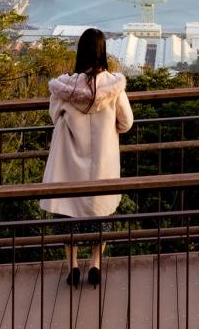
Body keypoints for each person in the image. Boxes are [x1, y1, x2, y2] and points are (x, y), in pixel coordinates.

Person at [39, 27, 134, 287]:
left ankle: (72, 266)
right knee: (100, 216)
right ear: (103, 52)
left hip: (68, 167)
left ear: (80, 52)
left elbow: (53, 116)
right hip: (102, 166)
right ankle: (94, 263)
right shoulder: (114, 87)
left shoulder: (64, 87)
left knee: (67, 218)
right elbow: (126, 123)